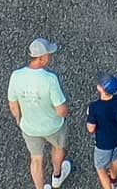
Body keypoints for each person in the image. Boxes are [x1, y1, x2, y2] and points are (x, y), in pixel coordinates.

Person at [9, 39, 72, 189]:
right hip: (53, 126)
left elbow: (13, 103)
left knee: (36, 159)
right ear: (42, 58)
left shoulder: (16, 76)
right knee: (58, 148)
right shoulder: (50, 80)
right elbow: (60, 109)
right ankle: (57, 176)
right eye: (49, 54)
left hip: (29, 127)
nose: (50, 57)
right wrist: (67, 113)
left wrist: (19, 120)